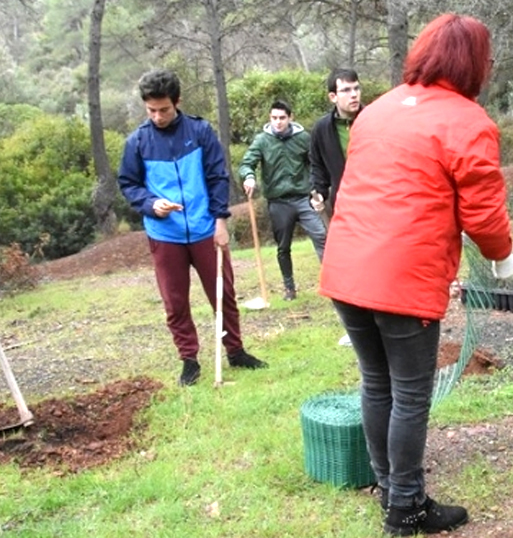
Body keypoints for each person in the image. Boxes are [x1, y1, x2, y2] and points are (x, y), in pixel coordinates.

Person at [319, 14, 513, 536]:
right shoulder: (467, 120)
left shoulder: (378, 110)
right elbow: (483, 213)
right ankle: (405, 506)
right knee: (409, 393)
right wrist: (503, 256)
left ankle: (389, 488)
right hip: (402, 278)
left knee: (376, 382)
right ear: (473, 63)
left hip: (346, 269)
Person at [118, 69, 266, 386]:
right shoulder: (138, 142)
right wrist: (150, 204)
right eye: (151, 110)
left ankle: (236, 351)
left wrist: (220, 221)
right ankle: (189, 361)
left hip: (205, 229)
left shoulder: (199, 132)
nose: (158, 116)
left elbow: (217, 177)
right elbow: (129, 184)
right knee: (175, 302)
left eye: (164, 110)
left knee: (223, 293)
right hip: (164, 235)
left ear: (177, 102)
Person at [238, 100, 327, 301]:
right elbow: (246, 163)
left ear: (290, 118)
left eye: (282, 118)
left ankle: (332, 282)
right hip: (278, 202)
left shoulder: (303, 138)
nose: (278, 122)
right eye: (274, 118)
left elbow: (315, 163)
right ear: (270, 118)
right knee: (283, 247)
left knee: (322, 236)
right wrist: (249, 176)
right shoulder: (262, 140)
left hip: (303, 199)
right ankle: (289, 287)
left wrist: (316, 186)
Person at [309, 68, 364, 219]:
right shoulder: (321, 129)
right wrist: (318, 192)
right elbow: (317, 167)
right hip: (344, 206)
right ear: (333, 97)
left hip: (376, 202)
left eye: (356, 88)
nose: (353, 94)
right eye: (346, 90)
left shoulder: (374, 119)